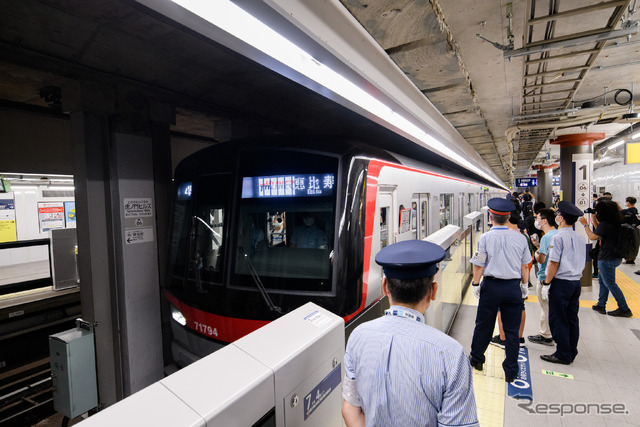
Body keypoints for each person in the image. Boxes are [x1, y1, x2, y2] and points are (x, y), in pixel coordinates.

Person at [341, 240, 479, 427]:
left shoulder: (358, 336)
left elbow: (350, 409)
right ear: (433, 291)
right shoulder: (452, 355)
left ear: (385, 287)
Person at [469, 198, 530, 383]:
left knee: (483, 326)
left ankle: (477, 359)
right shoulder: (520, 238)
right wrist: (524, 286)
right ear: (509, 216)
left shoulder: (485, 238)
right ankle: (511, 371)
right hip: (512, 288)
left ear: (490, 216)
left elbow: (479, 264)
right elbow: (525, 266)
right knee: (512, 332)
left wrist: (475, 284)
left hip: (491, 287)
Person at [540, 201, 585, 364]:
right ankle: (572, 350)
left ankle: (563, 353)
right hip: (575, 283)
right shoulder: (580, 238)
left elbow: (553, 263)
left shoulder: (558, 238)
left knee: (558, 318)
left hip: (561, 283)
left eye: (559, 215)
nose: (557, 216)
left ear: (562, 218)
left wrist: (546, 283)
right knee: (572, 318)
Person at [579, 200, 633, 317]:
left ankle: (624, 308)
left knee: (610, 283)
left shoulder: (606, 224)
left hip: (607, 258)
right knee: (603, 282)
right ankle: (601, 304)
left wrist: (585, 225)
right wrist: (593, 219)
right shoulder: (615, 222)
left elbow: (593, 236)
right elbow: (601, 231)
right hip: (614, 256)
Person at [528, 208, 558, 346]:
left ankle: (545, 335)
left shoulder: (546, 237)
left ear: (544, 221)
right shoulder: (557, 233)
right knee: (550, 307)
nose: (536, 221)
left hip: (544, 276)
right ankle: (552, 332)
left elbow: (541, 260)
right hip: (555, 277)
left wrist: (536, 251)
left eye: (538, 218)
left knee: (545, 308)